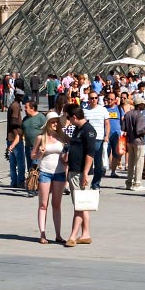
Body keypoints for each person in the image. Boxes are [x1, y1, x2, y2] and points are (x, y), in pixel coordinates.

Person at [32, 112, 68, 244]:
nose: (55, 124)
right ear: (47, 123)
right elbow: (33, 156)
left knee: (57, 204)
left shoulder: (62, 137)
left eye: (56, 121)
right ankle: (42, 234)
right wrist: (39, 154)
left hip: (59, 172)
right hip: (45, 172)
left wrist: (66, 159)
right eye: (52, 122)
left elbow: (66, 156)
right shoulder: (41, 137)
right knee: (43, 204)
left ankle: (58, 235)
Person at [64, 105, 97, 247]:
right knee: (83, 204)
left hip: (81, 173)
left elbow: (90, 153)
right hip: (74, 170)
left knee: (79, 205)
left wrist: (85, 173)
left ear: (74, 117)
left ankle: (72, 236)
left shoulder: (88, 130)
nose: (68, 120)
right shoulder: (78, 129)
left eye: (68, 117)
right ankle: (85, 234)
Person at [121, 95, 145, 191]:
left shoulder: (127, 114)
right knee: (139, 162)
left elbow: (123, 128)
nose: (144, 106)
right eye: (143, 104)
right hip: (139, 141)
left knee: (131, 162)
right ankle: (137, 183)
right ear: (139, 105)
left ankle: (129, 183)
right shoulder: (140, 115)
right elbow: (139, 131)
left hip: (130, 140)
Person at [82, 90, 109, 190]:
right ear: (88, 99)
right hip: (87, 140)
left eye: (95, 98)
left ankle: (96, 183)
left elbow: (107, 124)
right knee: (87, 163)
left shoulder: (103, 110)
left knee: (98, 164)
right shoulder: (85, 111)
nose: (94, 100)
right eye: (91, 98)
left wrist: (106, 136)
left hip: (98, 139)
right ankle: (85, 182)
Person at [22, 100, 47, 198]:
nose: (24, 109)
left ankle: (34, 188)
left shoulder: (41, 118)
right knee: (30, 167)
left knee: (35, 167)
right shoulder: (25, 119)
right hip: (28, 146)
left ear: (32, 108)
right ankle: (32, 185)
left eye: (26, 107)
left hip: (37, 147)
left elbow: (47, 130)